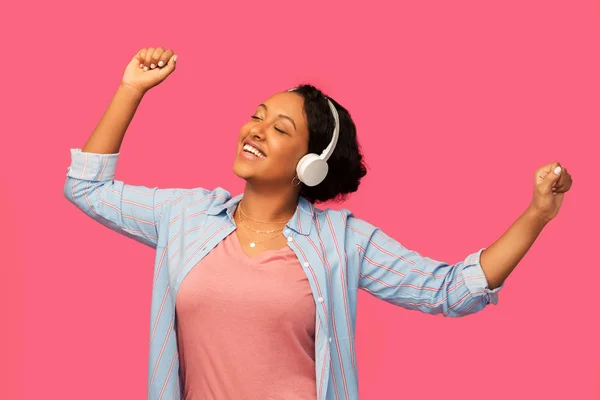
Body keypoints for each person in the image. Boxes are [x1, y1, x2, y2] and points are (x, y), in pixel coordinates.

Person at [63, 47, 573, 400]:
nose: (254, 130)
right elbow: (87, 188)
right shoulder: (186, 216)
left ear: (311, 163)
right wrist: (131, 89)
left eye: (279, 127)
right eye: (257, 115)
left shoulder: (342, 240)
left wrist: (536, 216)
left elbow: (451, 290)